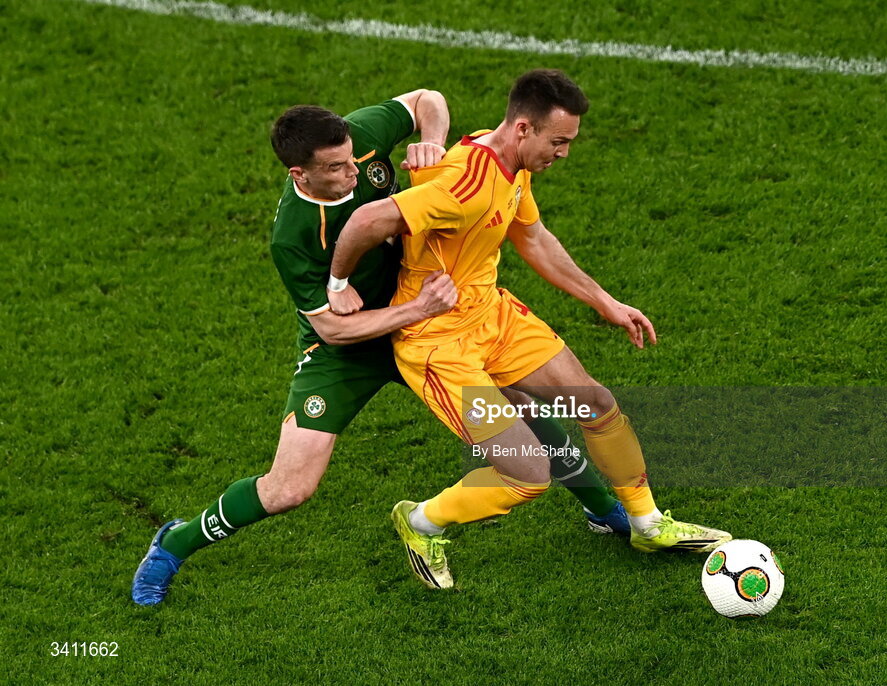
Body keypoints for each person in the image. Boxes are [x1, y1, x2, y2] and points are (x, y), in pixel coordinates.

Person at [131, 90, 627, 606]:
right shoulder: (294, 238)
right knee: (289, 488)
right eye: (338, 168)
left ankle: (600, 506)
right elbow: (334, 331)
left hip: (436, 327)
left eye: (353, 158)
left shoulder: (356, 137)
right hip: (356, 347)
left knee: (521, 408)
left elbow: (425, 100)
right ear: (300, 174)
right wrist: (415, 311)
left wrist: (431, 144)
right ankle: (173, 544)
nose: (356, 169)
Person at [325, 70, 732, 589]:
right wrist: (338, 284)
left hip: (490, 313)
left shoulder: (512, 164)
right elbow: (367, 221)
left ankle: (648, 524)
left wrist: (605, 302)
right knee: (527, 475)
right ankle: (420, 520)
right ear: (523, 128)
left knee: (597, 404)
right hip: (438, 343)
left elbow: (533, 238)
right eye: (558, 141)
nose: (563, 152)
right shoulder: (464, 184)